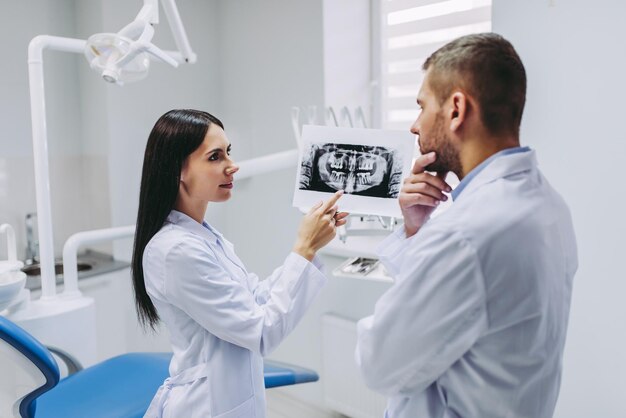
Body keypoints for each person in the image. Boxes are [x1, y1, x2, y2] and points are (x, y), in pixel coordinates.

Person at [355, 33, 578, 418]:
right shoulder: (549, 205)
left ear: (456, 109)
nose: (413, 126)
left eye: (422, 106)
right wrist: (414, 230)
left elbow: (380, 363)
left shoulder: (464, 233)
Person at [130, 109, 348, 418]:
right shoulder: (175, 251)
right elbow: (261, 331)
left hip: (230, 398)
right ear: (178, 169)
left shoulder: (203, 237)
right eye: (215, 157)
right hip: (205, 406)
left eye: (228, 152)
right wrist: (303, 247)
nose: (233, 166)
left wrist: (310, 249)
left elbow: (255, 300)